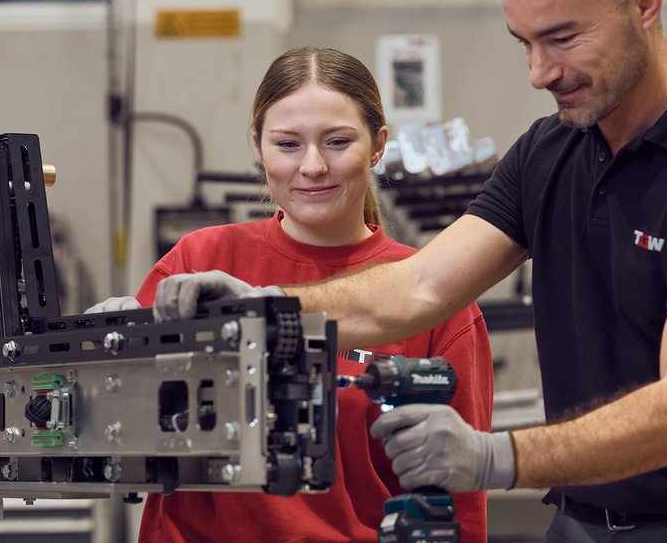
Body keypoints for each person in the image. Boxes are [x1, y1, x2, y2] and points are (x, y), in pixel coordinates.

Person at [152, 0, 667, 540]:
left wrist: (495, 456)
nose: (538, 73)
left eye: (562, 39)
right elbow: (418, 290)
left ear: (644, 4)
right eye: (524, 42)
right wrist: (266, 308)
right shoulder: (551, 152)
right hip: (581, 523)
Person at [87, 47, 493, 543]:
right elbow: (120, 444)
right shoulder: (199, 261)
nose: (314, 166)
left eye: (338, 141)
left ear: (379, 144)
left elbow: (460, 501)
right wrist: (103, 369)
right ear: (258, 146)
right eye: (287, 144)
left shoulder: (434, 298)